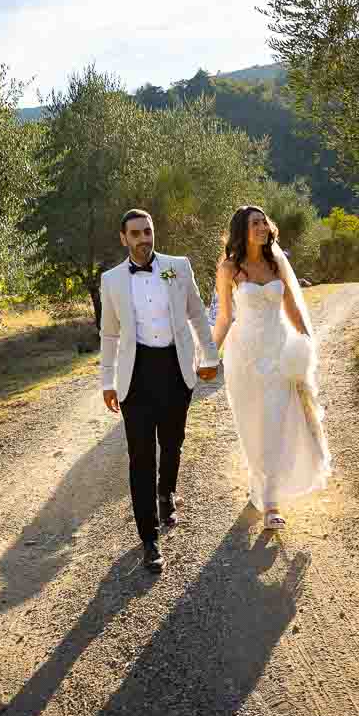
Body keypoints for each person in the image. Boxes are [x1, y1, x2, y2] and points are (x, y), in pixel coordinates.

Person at [100, 210, 219, 572]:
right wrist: (107, 381)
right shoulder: (112, 279)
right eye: (135, 233)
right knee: (140, 456)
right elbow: (109, 333)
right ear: (123, 238)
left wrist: (209, 354)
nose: (143, 239)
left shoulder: (178, 266)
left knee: (173, 442)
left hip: (174, 368)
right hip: (134, 377)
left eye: (147, 231)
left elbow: (198, 314)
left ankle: (166, 491)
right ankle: (149, 539)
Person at [212, 205, 330, 531]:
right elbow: (225, 317)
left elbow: (292, 308)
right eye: (255, 223)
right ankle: (258, 483)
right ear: (242, 230)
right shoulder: (229, 269)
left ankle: (272, 501)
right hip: (244, 356)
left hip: (279, 352)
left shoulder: (277, 264)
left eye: (264, 222)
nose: (262, 227)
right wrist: (208, 354)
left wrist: (306, 342)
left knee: (275, 422)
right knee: (252, 424)